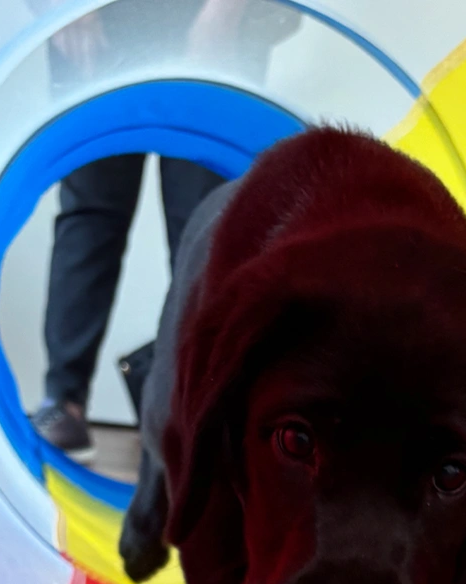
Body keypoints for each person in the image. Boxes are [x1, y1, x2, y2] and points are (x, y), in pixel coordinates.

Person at [27, 0, 300, 459]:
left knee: (209, 227)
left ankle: (199, 412)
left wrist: (224, 11)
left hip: (213, 23)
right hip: (99, 20)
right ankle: (64, 399)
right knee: (91, 213)